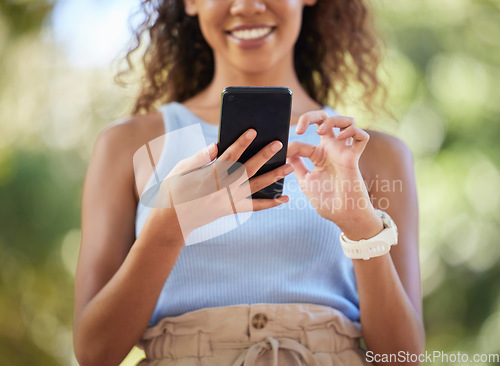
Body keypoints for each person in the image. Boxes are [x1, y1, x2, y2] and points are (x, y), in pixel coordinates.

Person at [73, 0, 425, 365]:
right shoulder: (128, 146)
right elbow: (95, 353)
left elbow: (402, 358)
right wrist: (169, 227)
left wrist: (360, 227)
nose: (247, 5)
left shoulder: (373, 154)